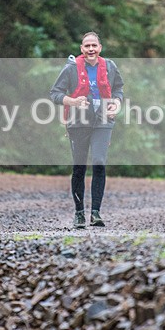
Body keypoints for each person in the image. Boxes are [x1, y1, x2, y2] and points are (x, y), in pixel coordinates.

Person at [50, 32, 124, 228]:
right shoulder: (71, 68)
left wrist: (117, 102)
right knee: (79, 166)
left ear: (100, 48)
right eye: (87, 46)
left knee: (99, 162)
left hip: (103, 119)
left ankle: (96, 213)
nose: (91, 49)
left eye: (94, 45)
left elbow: (118, 89)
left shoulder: (109, 66)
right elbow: (55, 94)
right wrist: (73, 101)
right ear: (82, 49)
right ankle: (79, 213)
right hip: (78, 120)